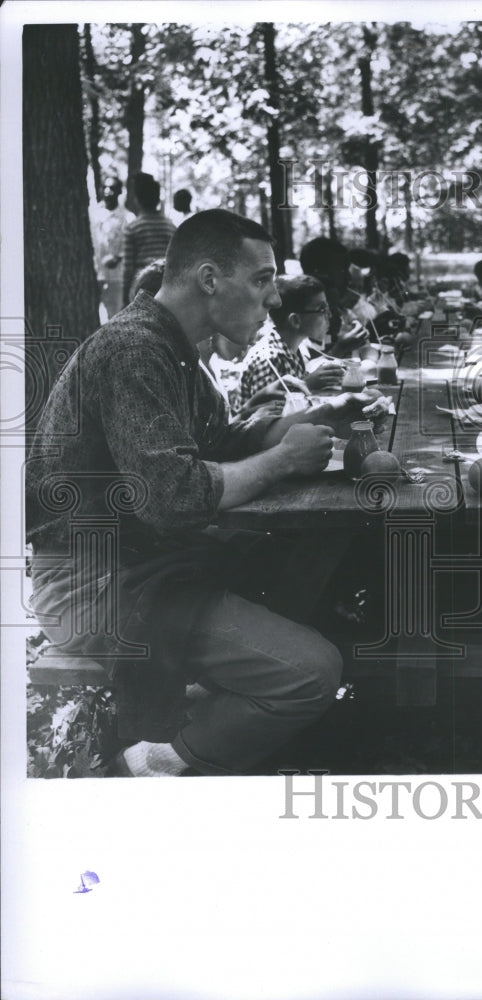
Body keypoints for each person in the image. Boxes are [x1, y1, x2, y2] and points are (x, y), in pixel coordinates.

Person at [27, 209, 386, 777]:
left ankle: (219, 715)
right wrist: (282, 459)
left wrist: (321, 414)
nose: (273, 299)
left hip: (144, 564)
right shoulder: (132, 350)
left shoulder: (175, 347)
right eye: (262, 279)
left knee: (312, 575)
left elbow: (219, 441)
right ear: (210, 279)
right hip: (90, 584)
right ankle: (148, 765)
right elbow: (173, 494)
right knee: (311, 670)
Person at [239, 275, 345, 409]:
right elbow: (269, 421)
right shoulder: (268, 360)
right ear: (295, 321)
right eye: (322, 310)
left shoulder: (296, 347)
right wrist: (307, 384)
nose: (329, 315)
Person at [299, 236, 369, 356]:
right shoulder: (302, 317)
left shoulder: (336, 310)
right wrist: (340, 348)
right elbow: (310, 370)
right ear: (318, 272)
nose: (349, 278)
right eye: (342, 270)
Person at [121, 172, 177, 301]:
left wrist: (125, 297)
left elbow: (128, 269)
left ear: (137, 199)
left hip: (140, 290)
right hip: (166, 290)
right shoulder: (170, 227)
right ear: (157, 199)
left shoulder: (133, 228)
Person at [90, 175, 133, 319]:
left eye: (113, 188)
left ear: (120, 191)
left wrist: (118, 257)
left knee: (114, 317)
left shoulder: (128, 218)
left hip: (117, 278)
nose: (108, 191)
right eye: (105, 187)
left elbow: (131, 247)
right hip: (94, 275)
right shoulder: (93, 214)